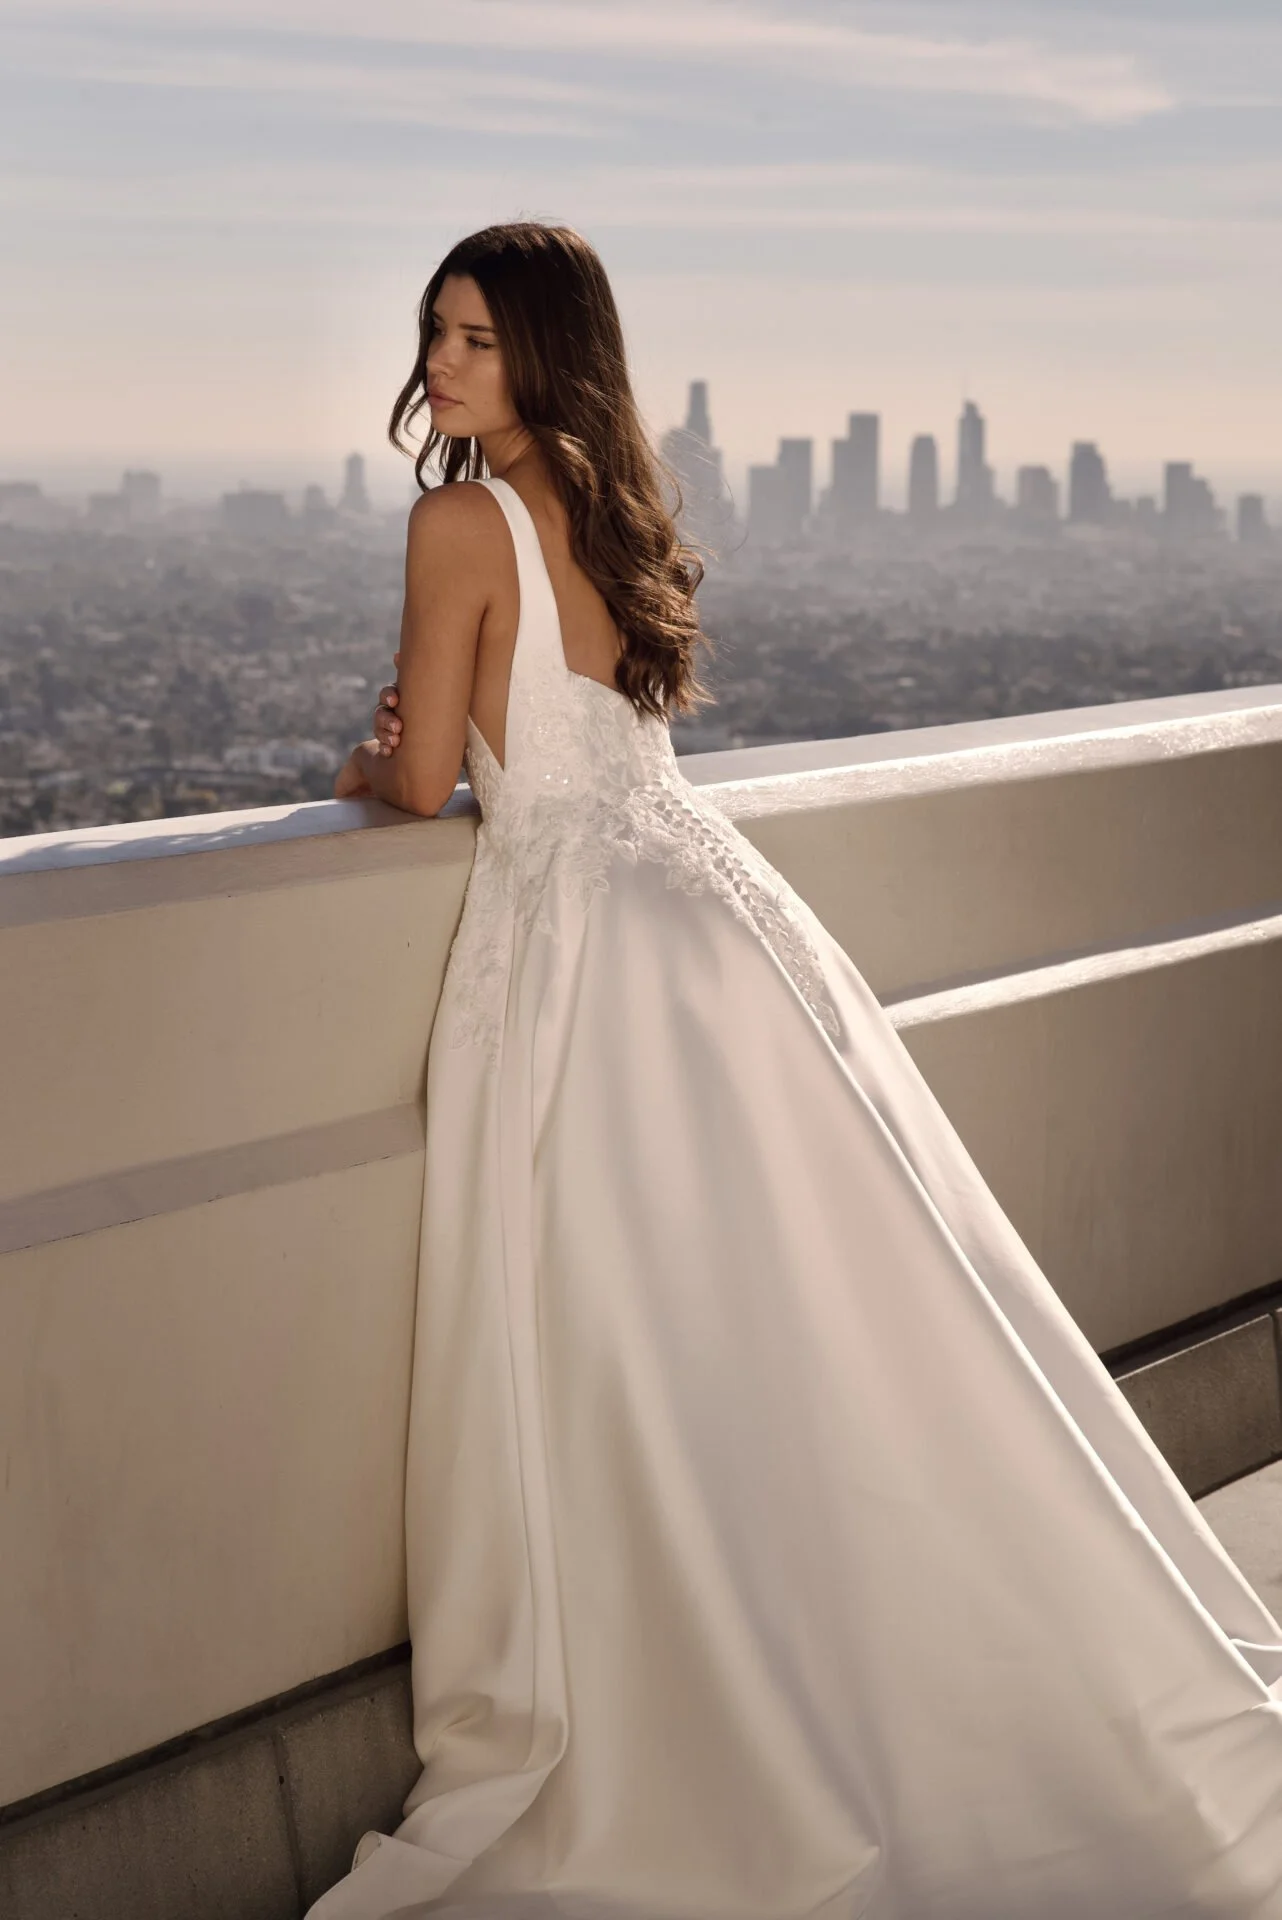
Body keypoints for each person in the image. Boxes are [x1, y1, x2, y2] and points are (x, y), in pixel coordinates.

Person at [312, 222, 1282, 1920]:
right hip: (722, 923)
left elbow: (419, 797)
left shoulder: (458, 518)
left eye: (472, 338)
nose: (443, 366)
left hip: (584, 954)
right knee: (832, 1323)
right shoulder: (611, 513)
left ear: (541, 354)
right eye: (435, 335)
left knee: (635, 1347)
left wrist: (363, 751)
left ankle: (730, 1705)